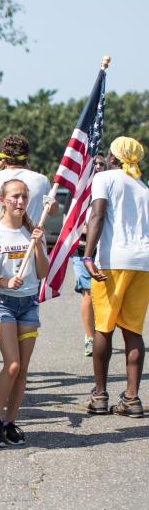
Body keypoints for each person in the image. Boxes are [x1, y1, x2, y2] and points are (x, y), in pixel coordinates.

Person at [82, 137, 149, 418]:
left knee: (104, 328)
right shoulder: (144, 187)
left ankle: (99, 395)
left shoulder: (105, 178)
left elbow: (97, 215)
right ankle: (132, 399)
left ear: (112, 158)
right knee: (133, 331)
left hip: (112, 261)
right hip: (143, 262)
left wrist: (87, 255)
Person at [0, 179, 49, 446]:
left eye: (24, 197)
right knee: (12, 365)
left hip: (29, 304)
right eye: (14, 197)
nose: (20, 202)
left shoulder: (33, 231)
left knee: (23, 370)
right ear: (2, 201)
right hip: (3, 303)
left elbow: (43, 272)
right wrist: (2, 281)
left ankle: (10, 421)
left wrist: (39, 245)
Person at [0, 134, 57, 225]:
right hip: (32, 238)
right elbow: (53, 211)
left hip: (3, 238)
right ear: (26, 158)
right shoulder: (42, 180)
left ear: (3, 159)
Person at [71, 154, 107, 356]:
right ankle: (89, 337)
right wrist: (89, 228)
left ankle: (102, 333)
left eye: (102, 163)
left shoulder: (109, 188)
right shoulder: (80, 193)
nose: (99, 166)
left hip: (106, 251)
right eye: (95, 164)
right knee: (88, 292)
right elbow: (72, 222)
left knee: (104, 295)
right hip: (82, 250)